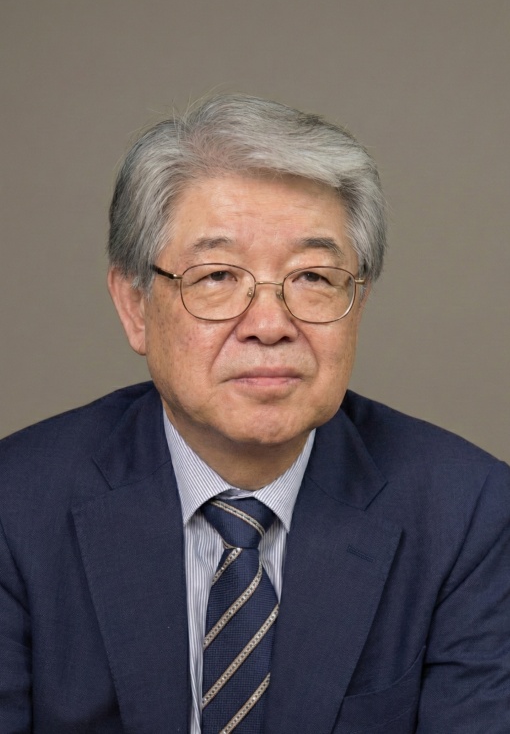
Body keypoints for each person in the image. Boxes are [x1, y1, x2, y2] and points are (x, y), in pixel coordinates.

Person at [1, 94, 509, 734]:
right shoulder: (16, 505)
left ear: (358, 303)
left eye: (314, 278)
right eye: (217, 276)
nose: (270, 325)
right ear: (135, 306)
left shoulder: (468, 513)